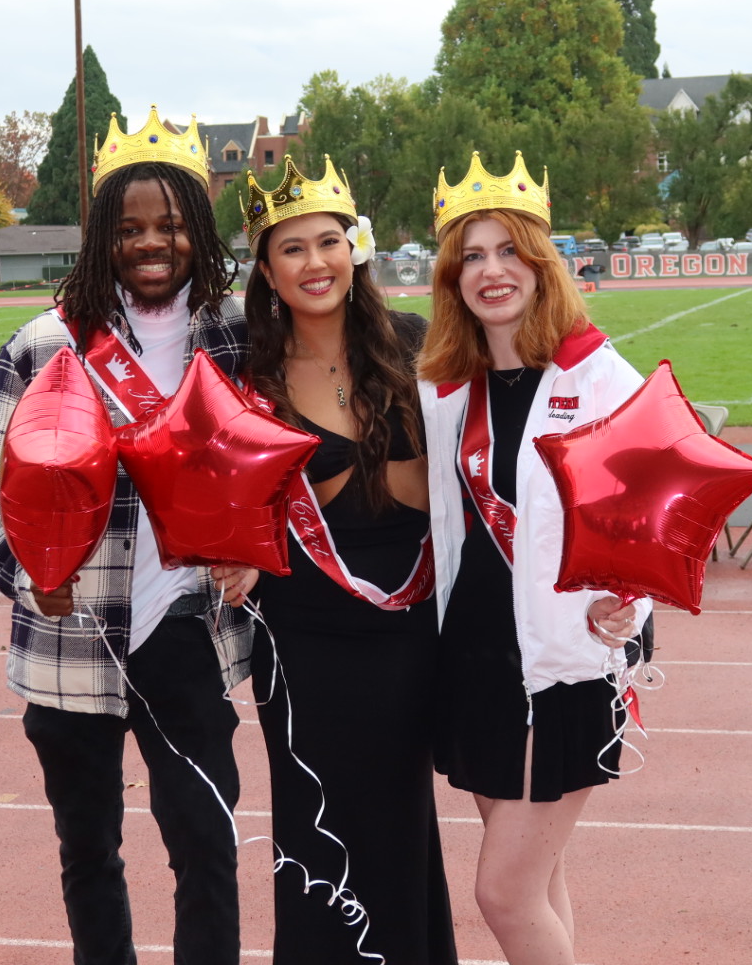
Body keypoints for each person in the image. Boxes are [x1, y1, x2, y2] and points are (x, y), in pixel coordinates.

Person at [0, 106, 250, 965]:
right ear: (102, 237)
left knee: (206, 845)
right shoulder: (45, 344)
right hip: (71, 637)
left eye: (170, 225)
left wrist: (253, 554)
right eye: (129, 228)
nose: (150, 243)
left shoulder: (238, 336)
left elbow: (273, 480)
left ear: (198, 231)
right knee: (89, 854)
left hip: (191, 635)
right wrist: (25, 577)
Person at [212, 156, 457, 965]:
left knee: (399, 825)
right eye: (292, 248)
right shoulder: (244, 378)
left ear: (356, 250)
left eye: (330, 241)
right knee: (316, 833)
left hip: (407, 636)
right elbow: (214, 499)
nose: (315, 262)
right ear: (265, 269)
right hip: (303, 642)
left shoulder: (417, 346)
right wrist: (234, 553)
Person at [416, 152, 649, 965]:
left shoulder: (601, 380)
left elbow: (651, 515)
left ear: (543, 264)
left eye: (509, 250)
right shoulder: (445, 386)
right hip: (473, 655)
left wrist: (630, 606)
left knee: (503, 892)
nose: (491, 271)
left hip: (560, 665)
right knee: (540, 883)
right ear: (451, 279)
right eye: (471, 256)